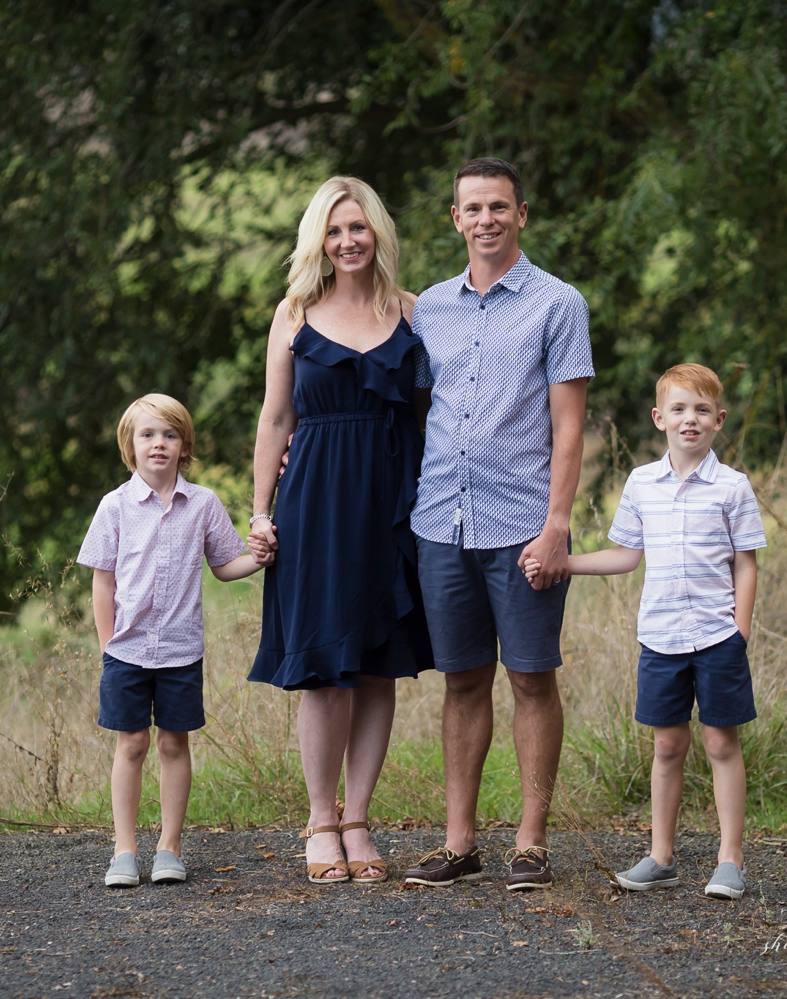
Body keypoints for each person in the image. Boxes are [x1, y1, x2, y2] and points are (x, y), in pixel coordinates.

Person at [403, 158, 593, 892]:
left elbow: (569, 429)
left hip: (523, 525)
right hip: (441, 523)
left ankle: (530, 842)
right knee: (460, 682)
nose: (486, 219)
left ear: (522, 214)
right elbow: (422, 410)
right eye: (472, 208)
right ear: (455, 218)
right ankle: (459, 843)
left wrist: (556, 525)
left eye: (499, 207)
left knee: (532, 678)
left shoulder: (558, 304)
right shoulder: (432, 310)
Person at [247, 176, 434, 886]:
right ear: (318, 241)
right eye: (334, 231)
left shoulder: (413, 310)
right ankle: (320, 820)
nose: (348, 241)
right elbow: (274, 420)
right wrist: (261, 511)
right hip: (316, 501)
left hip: (393, 501)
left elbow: (430, 415)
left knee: (378, 664)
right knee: (325, 669)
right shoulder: (294, 313)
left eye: (358, 228)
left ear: (377, 234)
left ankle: (358, 817)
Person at [522, 363, 766, 899]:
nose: (690, 420)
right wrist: (563, 562)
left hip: (717, 636)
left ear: (719, 420)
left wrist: (739, 633)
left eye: (702, 410)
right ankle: (661, 856)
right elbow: (627, 556)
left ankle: (730, 859)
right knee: (667, 745)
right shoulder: (642, 484)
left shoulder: (732, 488)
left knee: (721, 743)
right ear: (659, 418)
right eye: (679, 409)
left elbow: (745, 564)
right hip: (660, 639)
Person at [77, 394, 263, 888]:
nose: (159, 443)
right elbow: (103, 582)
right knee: (131, 744)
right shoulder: (114, 507)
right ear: (130, 446)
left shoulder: (201, 504)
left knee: (173, 745)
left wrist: (261, 556)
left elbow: (226, 566)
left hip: (181, 651)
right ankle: (124, 850)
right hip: (126, 650)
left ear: (184, 447)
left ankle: (169, 847)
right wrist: (106, 646)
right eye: (148, 434)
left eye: (170, 434)